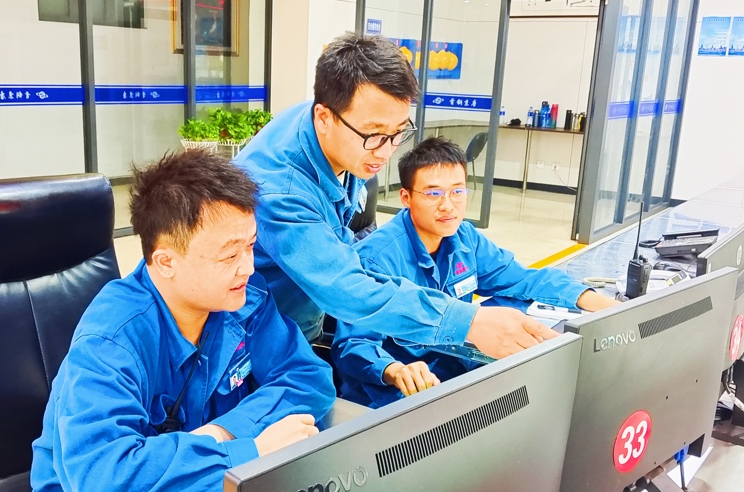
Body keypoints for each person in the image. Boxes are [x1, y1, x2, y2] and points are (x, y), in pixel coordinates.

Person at [20, 150, 335, 492]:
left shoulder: (242, 299)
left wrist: (223, 432)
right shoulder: (112, 340)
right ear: (166, 261)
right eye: (229, 255)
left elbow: (308, 379)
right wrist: (249, 452)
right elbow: (101, 482)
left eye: (250, 245)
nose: (248, 268)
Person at [233, 33, 556, 360]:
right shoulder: (281, 190)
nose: (386, 152)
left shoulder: (338, 126)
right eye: (374, 135)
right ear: (324, 118)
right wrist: (467, 322)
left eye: (398, 132)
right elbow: (344, 288)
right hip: (257, 341)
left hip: (301, 321)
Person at [332, 137, 621, 408]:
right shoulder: (376, 259)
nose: (448, 205)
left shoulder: (464, 238)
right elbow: (353, 345)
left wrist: (605, 306)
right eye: (433, 193)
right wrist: (394, 370)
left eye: (458, 191)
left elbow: (523, 279)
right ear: (406, 197)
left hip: (456, 372)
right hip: (394, 395)